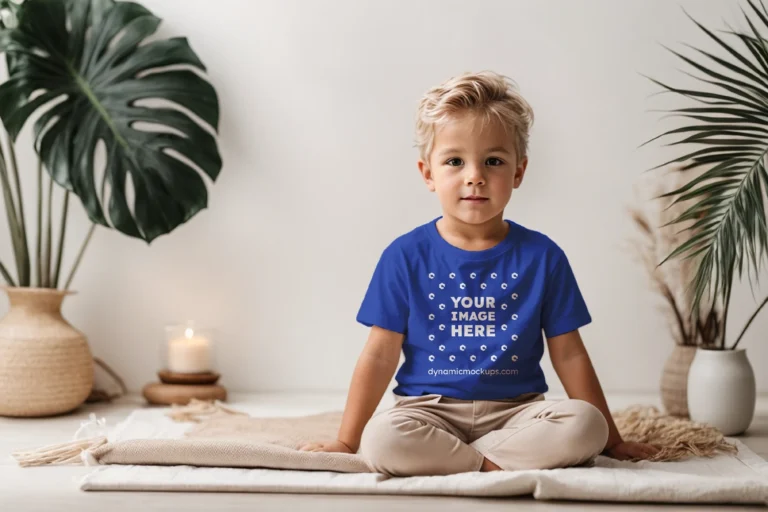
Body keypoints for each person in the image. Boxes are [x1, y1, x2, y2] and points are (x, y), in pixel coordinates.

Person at [299, 71, 660, 476]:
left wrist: (612, 439)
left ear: (519, 172)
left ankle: (460, 462)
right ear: (428, 174)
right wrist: (347, 441)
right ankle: (495, 464)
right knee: (382, 439)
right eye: (455, 161)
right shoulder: (404, 256)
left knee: (584, 425)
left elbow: (570, 352)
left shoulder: (543, 256)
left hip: (517, 414)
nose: (475, 175)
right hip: (429, 413)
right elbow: (380, 354)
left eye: (493, 161)